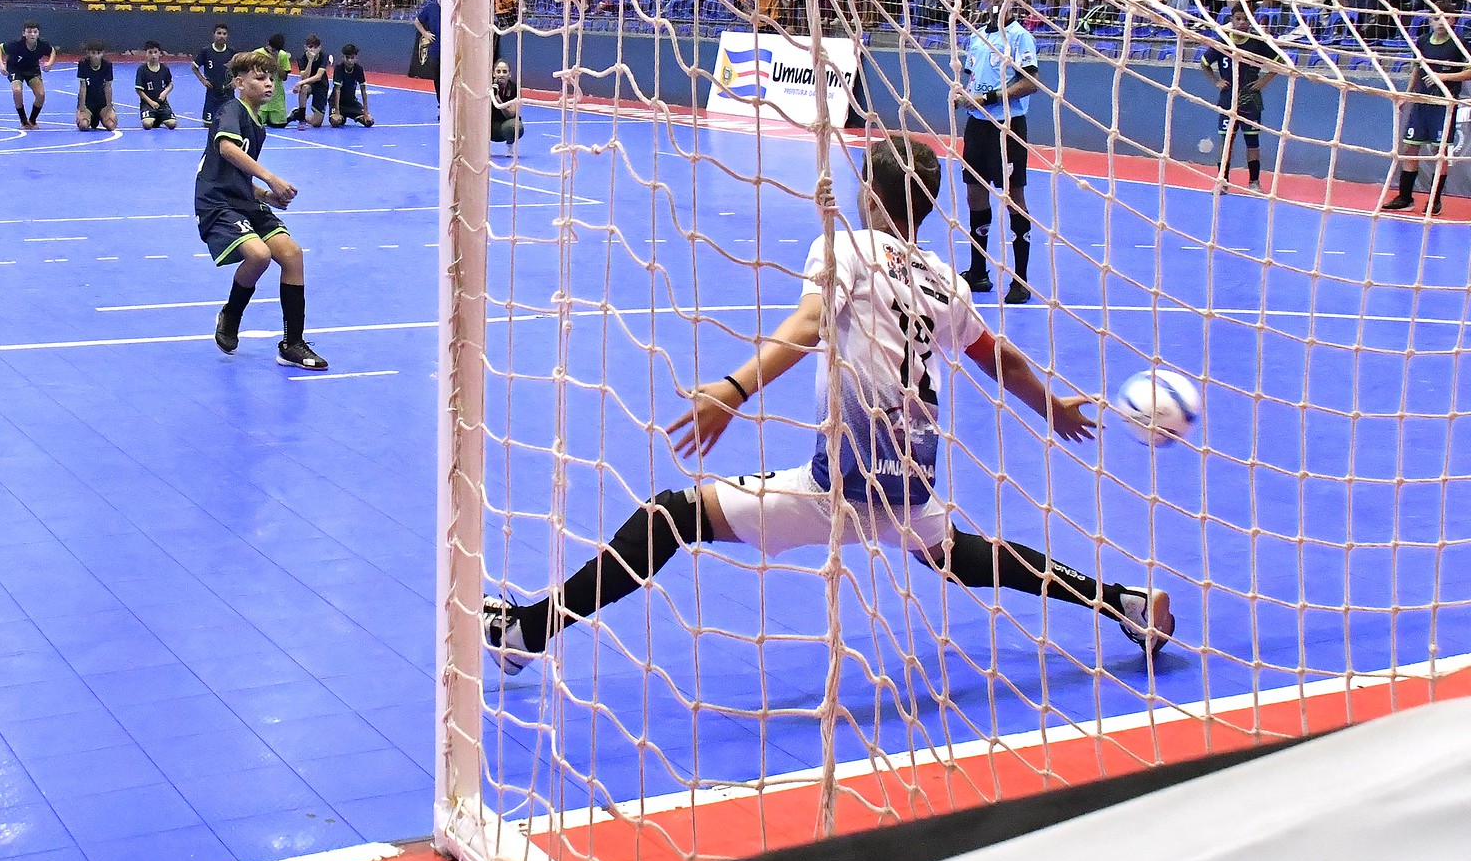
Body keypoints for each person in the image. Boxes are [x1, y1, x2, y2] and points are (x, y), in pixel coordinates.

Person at [483, 136, 1173, 674]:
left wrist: (734, 388)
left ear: (866, 191)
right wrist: (1051, 408)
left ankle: (527, 633)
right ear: (929, 207)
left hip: (838, 484)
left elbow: (813, 323)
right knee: (959, 555)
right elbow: (1001, 359)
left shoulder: (847, 247)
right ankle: (1125, 603)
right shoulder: (946, 280)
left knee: (671, 516)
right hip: (910, 482)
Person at [197, 49, 328, 371]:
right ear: (240, 82)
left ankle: (292, 344)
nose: (269, 83)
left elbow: (238, 173)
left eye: (271, 77)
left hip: (244, 199)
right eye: (260, 78)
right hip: (217, 202)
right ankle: (231, 314)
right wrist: (270, 176)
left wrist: (264, 196)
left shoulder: (258, 124)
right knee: (258, 255)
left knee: (292, 254)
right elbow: (225, 149)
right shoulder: (231, 109)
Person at [953, 0, 1040, 303]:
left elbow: (1031, 83)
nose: (994, 0)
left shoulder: (1020, 37)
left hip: (1007, 127)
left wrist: (987, 97)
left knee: (1013, 197)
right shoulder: (976, 38)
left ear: (1012, 0)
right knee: (975, 196)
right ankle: (978, 273)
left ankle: (1020, 279)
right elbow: (974, 79)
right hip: (977, 128)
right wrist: (963, 95)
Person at [1382, 0, 1471, 212]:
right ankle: (1405, 198)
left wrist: (1443, 78)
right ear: (1430, 21)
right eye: (1436, 18)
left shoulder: (1459, 43)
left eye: (1446, 18)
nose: (1441, 22)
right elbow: (1418, 69)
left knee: (1438, 151)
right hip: (1422, 103)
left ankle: (1434, 201)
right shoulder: (1423, 41)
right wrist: (1407, 95)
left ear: (1454, 20)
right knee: (1410, 147)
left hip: (1444, 104)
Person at [1201, 0, 1286, 193]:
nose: (1242, 23)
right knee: (1226, 141)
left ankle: (1254, 182)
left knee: (1252, 142)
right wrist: (1216, 81)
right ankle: (1222, 181)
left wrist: (1264, 80)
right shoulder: (1222, 41)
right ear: (1231, 20)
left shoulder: (1257, 43)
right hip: (1227, 100)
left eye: (1246, 19)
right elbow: (1204, 63)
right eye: (1238, 19)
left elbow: (1280, 62)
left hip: (1251, 101)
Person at [0, 22, 55, 128]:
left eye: (35, 32)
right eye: (29, 32)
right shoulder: (16, 44)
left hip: (32, 69)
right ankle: (23, 120)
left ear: (38, 33)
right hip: (15, 68)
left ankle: (32, 120)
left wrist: (50, 63)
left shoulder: (42, 45)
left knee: (41, 94)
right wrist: (0, 64)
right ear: (24, 33)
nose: (32, 34)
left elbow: (52, 50)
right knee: (17, 90)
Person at [193, 22, 233, 127]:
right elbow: (194, 67)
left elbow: (240, 70)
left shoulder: (231, 52)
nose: (221, 36)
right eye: (219, 33)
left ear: (227, 36)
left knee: (229, 123)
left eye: (224, 34)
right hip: (212, 92)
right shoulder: (206, 51)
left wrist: (235, 81)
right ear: (214, 34)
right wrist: (203, 80)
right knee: (208, 124)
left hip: (228, 92)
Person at [288, 35, 331, 128]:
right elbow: (305, 77)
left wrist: (299, 83)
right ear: (305, 47)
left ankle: (296, 114)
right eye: (310, 47)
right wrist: (310, 61)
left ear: (320, 48)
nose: (312, 50)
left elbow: (318, 76)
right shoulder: (302, 58)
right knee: (304, 88)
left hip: (321, 86)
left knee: (316, 123)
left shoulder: (324, 57)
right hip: (309, 85)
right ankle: (302, 117)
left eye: (315, 47)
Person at [329, 43, 373, 128]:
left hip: (351, 103)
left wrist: (366, 113)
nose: (349, 61)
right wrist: (337, 113)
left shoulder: (359, 69)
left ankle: (349, 114)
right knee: (336, 122)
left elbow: (363, 91)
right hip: (337, 103)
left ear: (356, 58)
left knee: (369, 122)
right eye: (347, 57)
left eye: (352, 58)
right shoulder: (338, 69)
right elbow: (337, 90)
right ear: (343, 57)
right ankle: (342, 116)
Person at [135, 41, 177, 129]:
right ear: (146, 54)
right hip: (148, 104)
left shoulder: (164, 68)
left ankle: (160, 117)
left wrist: (164, 93)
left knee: (172, 124)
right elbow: (139, 90)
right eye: (150, 52)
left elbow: (170, 84)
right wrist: (151, 102)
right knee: (147, 124)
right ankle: (154, 116)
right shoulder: (142, 69)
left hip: (162, 104)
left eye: (155, 52)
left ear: (159, 53)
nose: (153, 55)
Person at [74, 47, 117, 132]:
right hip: (88, 102)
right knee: (83, 125)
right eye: (93, 53)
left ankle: (101, 117)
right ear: (88, 53)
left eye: (98, 53)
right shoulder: (83, 64)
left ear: (102, 53)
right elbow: (83, 86)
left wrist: (108, 106)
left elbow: (108, 87)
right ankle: (89, 117)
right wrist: (82, 106)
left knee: (111, 125)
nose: (96, 56)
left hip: (102, 102)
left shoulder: (107, 65)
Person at [411, 0, 442, 103]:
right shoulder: (431, 7)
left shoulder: (452, 7)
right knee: (437, 79)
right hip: (435, 49)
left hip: (449, 51)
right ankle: (441, 105)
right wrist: (425, 33)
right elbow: (417, 21)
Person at [256, 34, 292, 129]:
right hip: (260, 97)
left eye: (276, 50)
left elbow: (284, 77)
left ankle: (291, 115)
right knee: (256, 124)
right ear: (267, 44)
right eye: (272, 49)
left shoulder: (282, 55)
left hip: (276, 98)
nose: (274, 52)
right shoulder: (257, 54)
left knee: (279, 125)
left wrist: (275, 62)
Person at [491, 56, 523, 153]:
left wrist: (498, 100)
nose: (501, 75)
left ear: (509, 74)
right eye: (498, 71)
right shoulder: (486, 87)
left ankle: (510, 145)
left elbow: (512, 114)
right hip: (488, 126)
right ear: (493, 73)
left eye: (505, 72)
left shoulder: (514, 88)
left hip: (504, 125)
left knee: (516, 126)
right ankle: (484, 147)